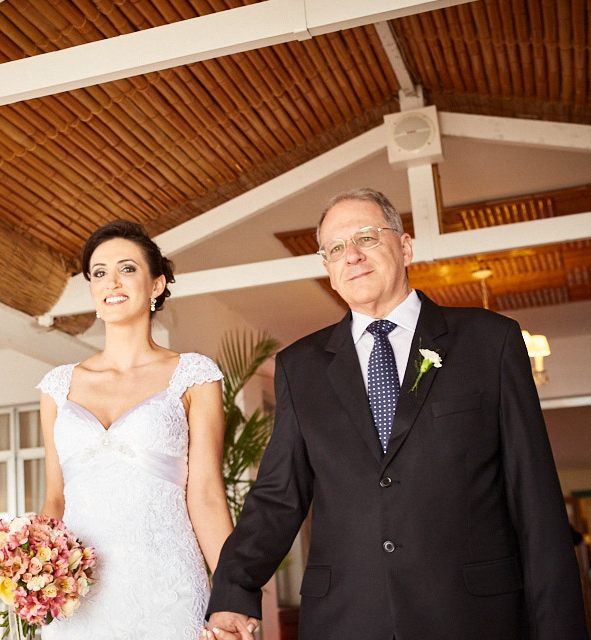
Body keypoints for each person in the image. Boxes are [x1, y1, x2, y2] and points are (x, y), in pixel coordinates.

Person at [204, 188, 588, 640]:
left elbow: (534, 497)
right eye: (336, 248)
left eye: (367, 238)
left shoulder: (490, 341)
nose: (352, 256)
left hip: (473, 617)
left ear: (404, 246)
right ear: (327, 268)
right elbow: (277, 495)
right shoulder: (299, 367)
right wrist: (233, 592)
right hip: (346, 618)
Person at [37, 219, 234, 639]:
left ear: (157, 284)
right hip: (78, 599)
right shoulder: (57, 386)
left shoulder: (194, 376)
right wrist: (29, 576)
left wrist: (234, 597)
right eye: (99, 272)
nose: (112, 281)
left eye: (127, 268)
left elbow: (207, 496)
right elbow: (55, 499)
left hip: (167, 592)